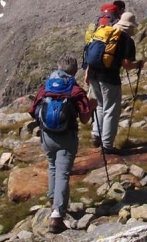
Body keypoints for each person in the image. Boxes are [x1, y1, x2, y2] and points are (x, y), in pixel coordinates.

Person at [28, 54, 96, 234]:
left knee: (52, 167)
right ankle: (57, 216)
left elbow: (33, 111)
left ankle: (53, 201)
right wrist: (92, 105)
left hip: (47, 136)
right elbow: (84, 119)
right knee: (63, 173)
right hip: (67, 137)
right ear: (75, 72)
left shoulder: (46, 87)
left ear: (58, 68)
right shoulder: (75, 90)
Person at [88, 11, 145, 155]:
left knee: (100, 105)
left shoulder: (105, 31)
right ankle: (107, 145)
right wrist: (137, 65)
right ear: (130, 26)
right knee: (111, 110)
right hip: (109, 77)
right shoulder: (126, 39)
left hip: (93, 73)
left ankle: (96, 135)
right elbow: (126, 64)